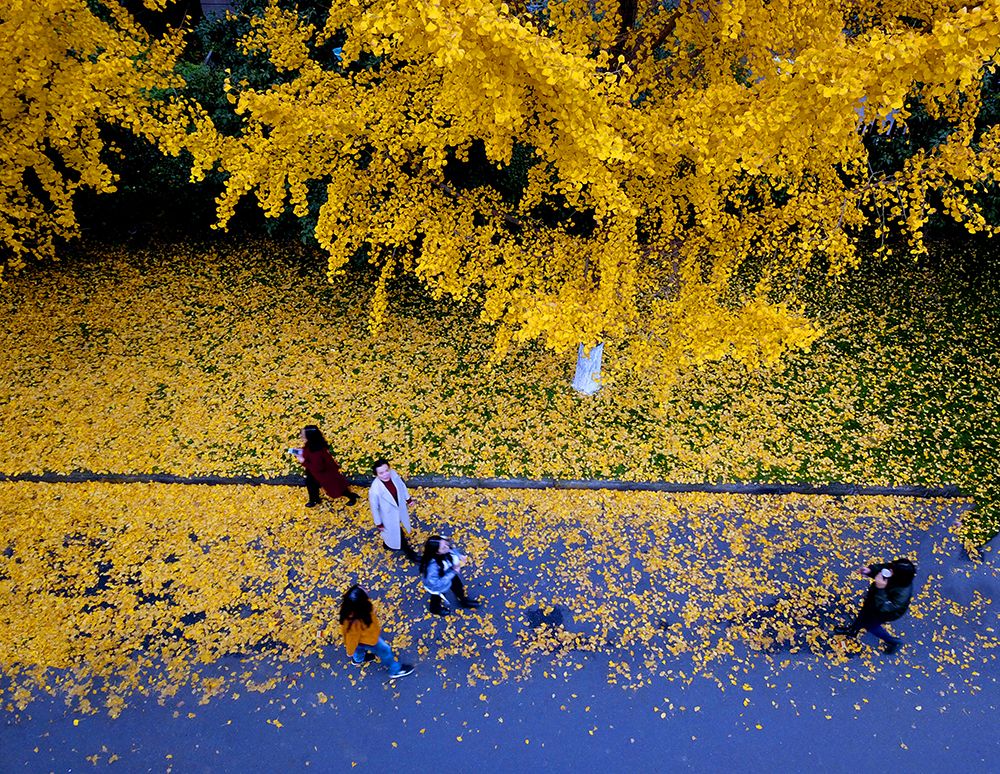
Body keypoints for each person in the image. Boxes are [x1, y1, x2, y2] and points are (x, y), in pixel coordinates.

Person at [834, 557, 916, 654]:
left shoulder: (902, 593)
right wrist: (870, 570)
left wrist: (880, 588)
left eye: (892, 571)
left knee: (871, 625)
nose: (889, 570)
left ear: (899, 577)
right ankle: (853, 630)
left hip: (883, 612)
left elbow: (885, 607)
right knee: (863, 613)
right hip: (873, 601)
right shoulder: (894, 569)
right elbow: (884, 567)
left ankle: (894, 642)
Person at [338, 585, 414, 679]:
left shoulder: (350, 608)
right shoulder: (355, 621)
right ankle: (395, 670)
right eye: (363, 590)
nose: (367, 589)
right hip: (368, 639)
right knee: (385, 650)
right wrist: (349, 651)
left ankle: (357, 660)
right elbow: (351, 638)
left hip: (361, 640)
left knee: (358, 648)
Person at [294, 426, 358, 508]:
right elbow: (309, 454)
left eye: (303, 435)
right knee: (311, 485)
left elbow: (318, 468)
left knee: (338, 487)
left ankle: (352, 497)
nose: (301, 437)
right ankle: (314, 500)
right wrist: (301, 452)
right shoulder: (312, 444)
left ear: (310, 437)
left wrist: (303, 461)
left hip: (324, 474)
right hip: (312, 472)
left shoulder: (317, 452)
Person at [368, 458, 419, 561]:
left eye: (386, 470)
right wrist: (379, 523)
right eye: (381, 473)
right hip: (388, 515)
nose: (385, 474)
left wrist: (408, 499)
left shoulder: (394, 474)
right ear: (376, 474)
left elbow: (402, 486)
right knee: (397, 533)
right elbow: (375, 508)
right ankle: (411, 555)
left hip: (399, 508)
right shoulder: (374, 490)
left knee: (395, 531)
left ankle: (388, 544)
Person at [419, 535, 481, 616]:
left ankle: (463, 601)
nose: (447, 547)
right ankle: (435, 609)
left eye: (445, 544)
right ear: (437, 552)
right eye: (443, 547)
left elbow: (451, 550)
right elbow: (436, 584)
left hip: (449, 572)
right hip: (439, 584)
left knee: (458, 587)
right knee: (437, 598)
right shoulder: (432, 568)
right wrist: (453, 572)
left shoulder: (444, 548)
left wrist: (459, 556)